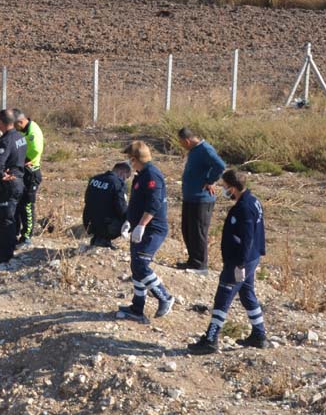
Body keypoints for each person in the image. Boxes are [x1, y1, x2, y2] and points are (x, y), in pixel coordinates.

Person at [188, 169, 268, 354]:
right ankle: (259, 334)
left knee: (222, 298)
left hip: (240, 261)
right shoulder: (253, 201)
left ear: (233, 188)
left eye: (225, 187)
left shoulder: (244, 208)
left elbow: (247, 238)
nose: (224, 190)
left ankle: (210, 339)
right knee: (247, 294)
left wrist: (240, 264)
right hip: (250, 258)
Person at [117, 140, 174, 322]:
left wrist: (141, 225)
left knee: (141, 265)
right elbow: (137, 203)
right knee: (135, 266)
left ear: (135, 159)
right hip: (139, 227)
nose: (129, 163)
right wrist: (129, 222)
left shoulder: (151, 175)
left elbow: (154, 203)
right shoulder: (141, 175)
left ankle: (164, 297)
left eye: (130, 159)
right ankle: (137, 307)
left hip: (152, 229)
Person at [177, 127, 227, 273]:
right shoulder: (194, 150)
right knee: (188, 230)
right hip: (190, 197)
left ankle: (200, 265)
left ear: (187, 140)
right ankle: (192, 261)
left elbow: (220, 165)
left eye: (181, 142)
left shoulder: (205, 149)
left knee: (198, 231)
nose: (181, 145)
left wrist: (210, 180)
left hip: (201, 199)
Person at [0, 109, 27, 264]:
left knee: (4, 218)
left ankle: (4, 253)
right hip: (19, 181)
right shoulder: (20, 137)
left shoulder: (6, 141)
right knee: (12, 216)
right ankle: (7, 248)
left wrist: (0, 177)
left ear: (2, 123)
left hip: (9, 184)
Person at [9, 109, 44, 248]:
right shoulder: (24, 129)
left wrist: (20, 161)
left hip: (31, 173)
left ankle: (27, 237)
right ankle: (16, 233)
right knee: (18, 204)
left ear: (20, 122)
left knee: (27, 206)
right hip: (23, 172)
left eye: (15, 125)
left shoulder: (33, 132)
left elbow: (35, 151)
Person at [82, 162, 131, 248]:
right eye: (125, 177)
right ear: (121, 172)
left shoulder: (94, 179)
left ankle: (97, 238)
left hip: (89, 223)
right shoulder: (118, 184)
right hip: (106, 227)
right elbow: (121, 208)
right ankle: (104, 240)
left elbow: (87, 200)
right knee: (134, 217)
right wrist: (129, 218)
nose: (124, 180)